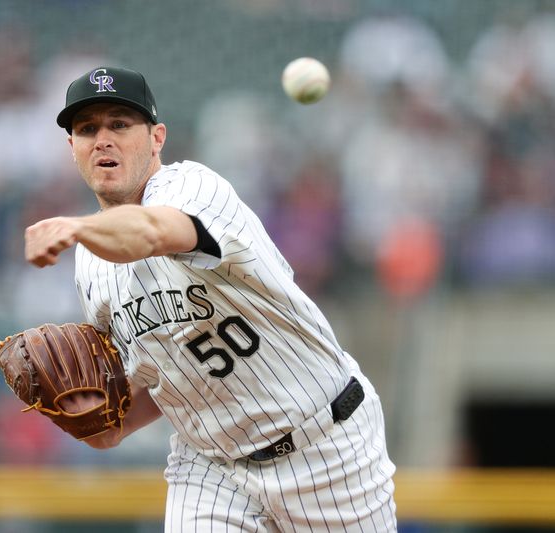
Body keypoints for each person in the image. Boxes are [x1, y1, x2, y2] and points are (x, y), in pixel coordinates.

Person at [24, 66, 397, 532]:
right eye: (87, 129)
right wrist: (101, 425)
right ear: (72, 149)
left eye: (120, 124)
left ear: (157, 138)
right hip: (210, 467)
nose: (103, 139)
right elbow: (158, 383)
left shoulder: (194, 187)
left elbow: (151, 231)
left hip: (324, 445)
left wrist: (78, 227)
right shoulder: (91, 266)